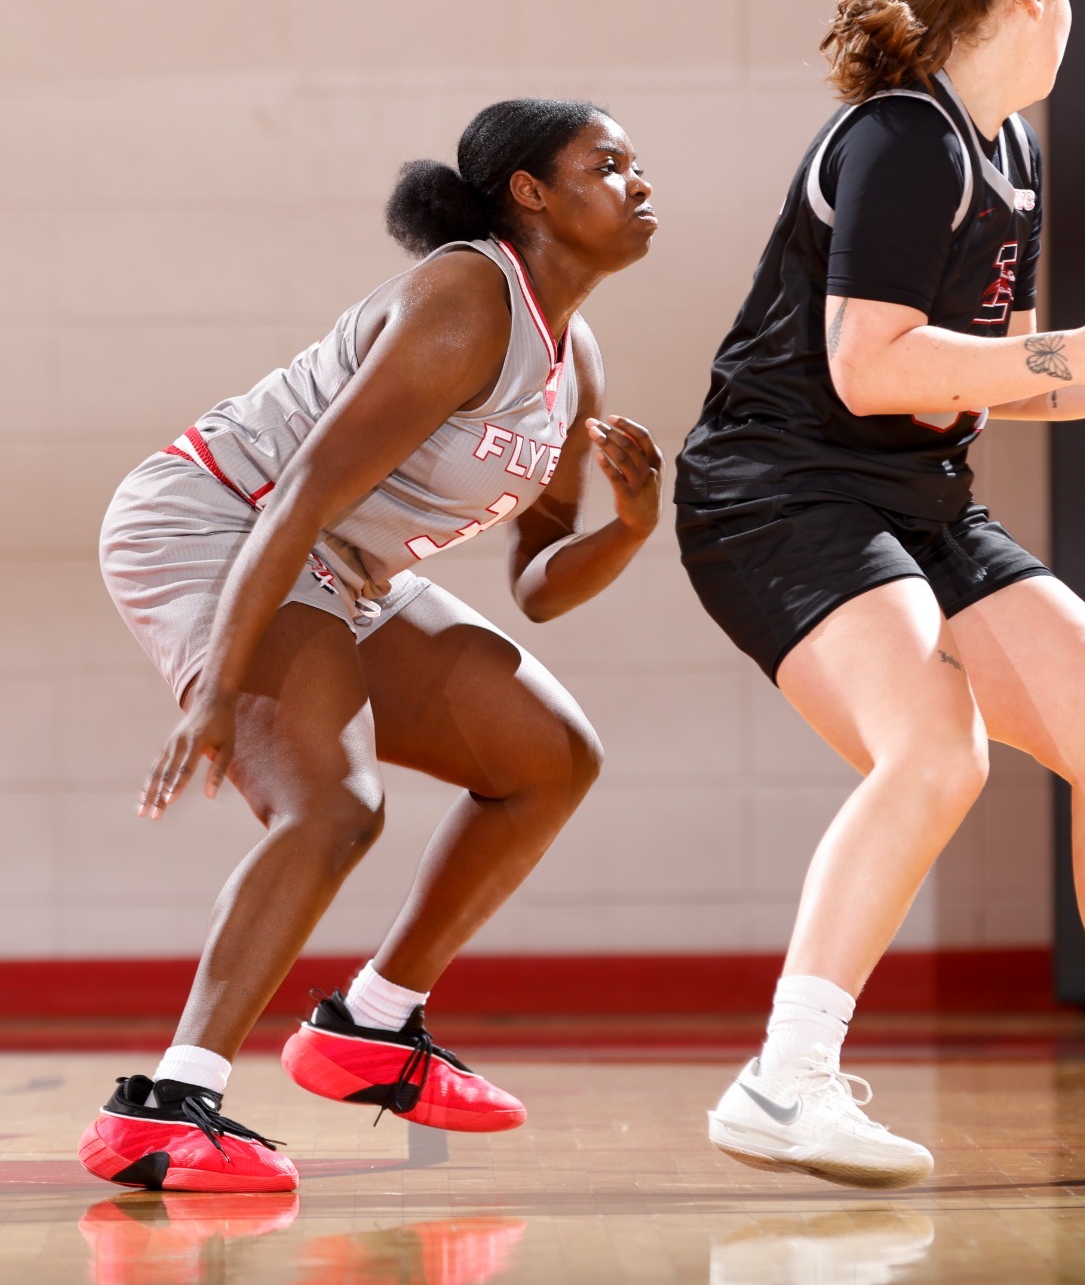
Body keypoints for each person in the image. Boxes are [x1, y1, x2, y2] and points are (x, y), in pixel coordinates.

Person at [675, 0, 1085, 1189]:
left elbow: (963, 375)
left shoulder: (1007, 149)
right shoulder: (903, 139)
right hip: (781, 489)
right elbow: (866, 366)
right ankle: (786, 1076)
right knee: (934, 747)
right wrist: (1078, 350)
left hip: (916, 499)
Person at [80, 99, 663, 1191]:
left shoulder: (572, 359)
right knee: (334, 806)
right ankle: (163, 1106)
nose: (639, 185)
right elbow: (295, 494)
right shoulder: (465, 294)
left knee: (548, 756)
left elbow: (535, 588)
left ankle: (369, 1027)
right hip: (217, 518)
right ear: (529, 193)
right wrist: (215, 687)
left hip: (338, 562)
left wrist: (629, 528)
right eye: (609, 164)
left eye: (638, 166)